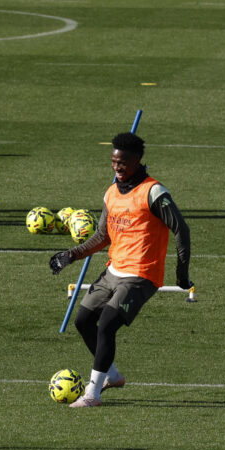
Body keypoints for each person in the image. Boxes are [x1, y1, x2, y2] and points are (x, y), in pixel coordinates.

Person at [49, 132, 192, 408]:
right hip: (113, 271)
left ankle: (93, 394)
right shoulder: (112, 192)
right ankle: (111, 375)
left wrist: (181, 272)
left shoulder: (153, 192)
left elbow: (181, 229)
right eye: (114, 162)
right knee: (83, 321)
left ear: (137, 160)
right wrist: (72, 255)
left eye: (123, 162)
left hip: (141, 274)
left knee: (107, 324)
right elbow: (102, 236)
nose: (117, 167)